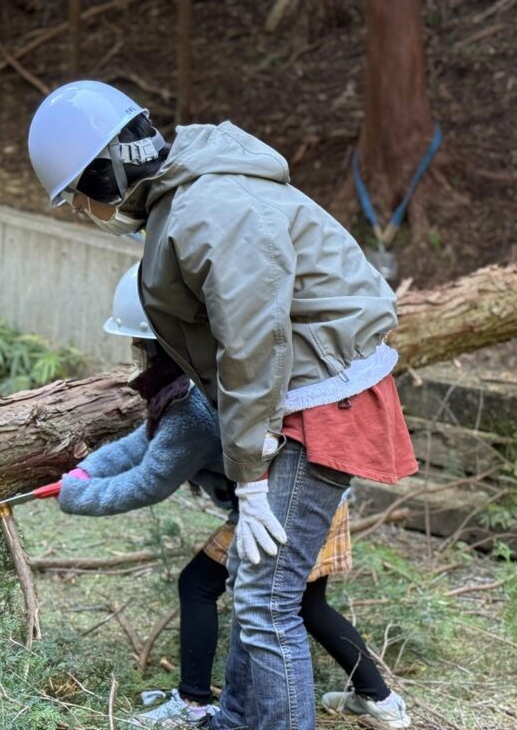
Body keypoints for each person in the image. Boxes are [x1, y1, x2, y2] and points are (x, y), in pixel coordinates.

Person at [28, 81, 418, 730]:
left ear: (104, 173)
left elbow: (253, 344)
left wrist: (250, 476)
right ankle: (233, 721)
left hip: (322, 399)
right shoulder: (184, 202)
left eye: (75, 196)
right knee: (253, 582)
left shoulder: (211, 209)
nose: (79, 211)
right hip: (298, 392)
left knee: (268, 602)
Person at [56, 265, 410, 729]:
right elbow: (143, 443)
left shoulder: (189, 410)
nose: (138, 354)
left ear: (162, 344)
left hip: (287, 501)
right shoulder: (191, 385)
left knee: (205, 586)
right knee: (304, 604)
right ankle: (379, 700)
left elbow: (149, 481)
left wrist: (76, 495)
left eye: (141, 344)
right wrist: (85, 472)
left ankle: (193, 702)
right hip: (287, 498)